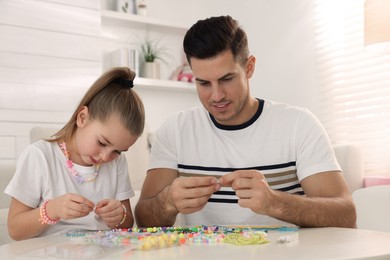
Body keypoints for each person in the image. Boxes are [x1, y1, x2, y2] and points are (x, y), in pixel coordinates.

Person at [135, 15, 356, 228]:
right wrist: (168, 202)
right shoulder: (175, 131)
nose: (216, 95)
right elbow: (144, 219)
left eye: (226, 79)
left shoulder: (299, 125)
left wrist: (275, 203)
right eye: (203, 83)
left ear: (249, 67)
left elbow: (345, 214)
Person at [5, 67, 145, 240]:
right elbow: (15, 230)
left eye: (117, 151)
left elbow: (127, 223)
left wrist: (120, 215)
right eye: (102, 143)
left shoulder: (117, 163)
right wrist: (52, 210)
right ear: (82, 118)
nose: (105, 156)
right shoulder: (39, 157)